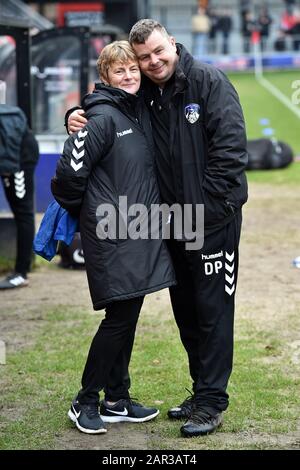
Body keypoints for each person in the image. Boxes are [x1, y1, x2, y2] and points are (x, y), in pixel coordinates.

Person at [67, 19, 248, 438]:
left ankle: (211, 403)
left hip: (211, 223)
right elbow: (111, 102)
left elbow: (231, 151)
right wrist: (75, 114)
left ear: (171, 41)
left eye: (157, 53)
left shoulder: (207, 82)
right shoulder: (148, 88)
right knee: (186, 313)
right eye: (144, 58)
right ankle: (200, 391)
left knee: (213, 314)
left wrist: (205, 212)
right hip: (171, 224)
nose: (152, 63)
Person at [51, 40, 176, 435]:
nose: (129, 76)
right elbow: (69, 177)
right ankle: (85, 400)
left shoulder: (136, 110)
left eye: (132, 70)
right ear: (104, 77)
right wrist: (89, 212)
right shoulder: (102, 117)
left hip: (137, 230)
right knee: (118, 319)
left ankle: (117, 399)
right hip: (112, 234)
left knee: (127, 316)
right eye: (119, 71)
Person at [0, 105, 39, 289]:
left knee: (23, 212)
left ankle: (21, 273)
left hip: (19, 161)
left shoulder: (6, 118)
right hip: (11, 160)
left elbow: (11, 142)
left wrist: (9, 170)